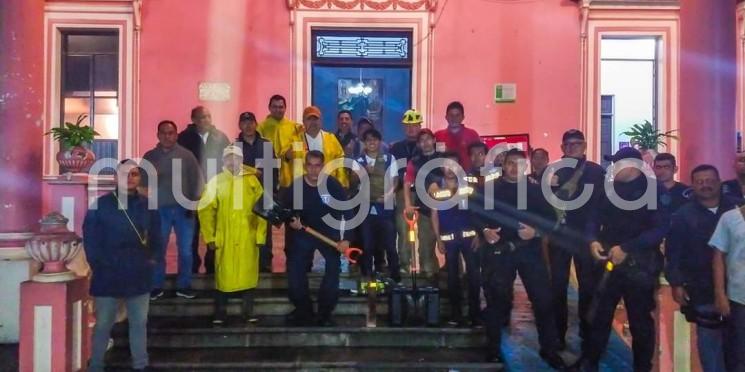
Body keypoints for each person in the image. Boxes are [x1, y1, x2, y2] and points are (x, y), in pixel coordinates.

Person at [577, 147, 671, 372]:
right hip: (609, 262)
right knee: (598, 315)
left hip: (640, 266)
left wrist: (627, 248)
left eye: (617, 164)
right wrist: (592, 241)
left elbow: (660, 228)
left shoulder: (653, 189)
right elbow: (592, 218)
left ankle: (642, 367)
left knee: (640, 323)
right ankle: (589, 363)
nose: (612, 168)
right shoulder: (606, 187)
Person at [471, 149, 567, 369]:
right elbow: (474, 214)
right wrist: (484, 230)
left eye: (520, 163)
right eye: (511, 163)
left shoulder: (535, 190)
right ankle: (493, 349)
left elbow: (551, 219)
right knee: (497, 302)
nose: (515, 167)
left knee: (543, 301)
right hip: (500, 252)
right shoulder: (489, 189)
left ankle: (549, 350)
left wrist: (536, 231)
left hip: (529, 251)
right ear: (503, 165)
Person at [83, 159, 162, 372]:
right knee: (103, 324)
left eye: (134, 174)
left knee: (139, 322)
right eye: (125, 173)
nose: (130, 178)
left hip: (138, 271)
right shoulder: (100, 205)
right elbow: (90, 240)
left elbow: (157, 236)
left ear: (139, 178)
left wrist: (151, 259)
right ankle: (96, 365)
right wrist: (98, 265)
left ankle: (140, 364)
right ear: (115, 177)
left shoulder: (148, 205)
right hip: (108, 273)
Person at [666, 164, 740, 372]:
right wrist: (676, 283)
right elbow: (674, 252)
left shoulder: (737, 210)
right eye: (699, 182)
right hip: (702, 288)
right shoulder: (682, 216)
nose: (705, 185)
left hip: (738, 289)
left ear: (718, 183)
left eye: (709, 181)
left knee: (739, 347)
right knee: (710, 348)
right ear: (693, 185)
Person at [548, 129, 606, 350]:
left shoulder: (595, 171)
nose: (572, 147)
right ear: (562, 147)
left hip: (586, 236)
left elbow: (603, 204)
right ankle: (558, 334)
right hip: (559, 235)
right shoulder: (551, 171)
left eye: (577, 144)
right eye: (568, 144)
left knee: (588, 286)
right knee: (558, 286)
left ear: (585, 146)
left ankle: (587, 330)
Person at [198, 144, 267, 325]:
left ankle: (248, 312)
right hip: (225, 237)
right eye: (228, 158)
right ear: (223, 160)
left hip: (248, 236)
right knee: (223, 277)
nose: (232, 162)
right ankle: (220, 313)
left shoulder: (252, 182)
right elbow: (205, 211)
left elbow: (263, 210)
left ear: (242, 160)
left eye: (236, 158)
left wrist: (260, 236)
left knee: (248, 276)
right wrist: (210, 237)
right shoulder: (216, 182)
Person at [282, 151, 352, 326]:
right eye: (310, 165)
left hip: (329, 234)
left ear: (323, 166)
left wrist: (347, 239)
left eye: (317, 165)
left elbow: (349, 213)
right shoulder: (296, 187)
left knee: (333, 269)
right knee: (295, 269)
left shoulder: (333, 186)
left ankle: (324, 313)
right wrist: (291, 221)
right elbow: (284, 211)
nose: (314, 170)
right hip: (303, 232)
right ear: (306, 166)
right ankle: (303, 310)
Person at [143, 120, 204, 300]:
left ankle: (184, 285)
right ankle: (156, 286)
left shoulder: (187, 156)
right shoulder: (150, 157)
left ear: (176, 135)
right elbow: (142, 185)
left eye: (170, 133)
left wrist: (192, 205)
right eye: (163, 133)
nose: (167, 136)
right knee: (158, 249)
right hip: (158, 210)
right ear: (157, 135)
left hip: (183, 209)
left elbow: (197, 183)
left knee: (185, 249)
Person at [430, 152, 481, 327]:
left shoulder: (469, 185)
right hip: (449, 240)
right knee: (452, 277)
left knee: (474, 276)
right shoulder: (437, 188)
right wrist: (438, 238)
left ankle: (475, 314)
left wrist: (479, 234)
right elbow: (434, 214)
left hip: (470, 238)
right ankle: (456, 314)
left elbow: (478, 212)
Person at [177, 106, 230, 274]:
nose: (205, 120)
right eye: (201, 117)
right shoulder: (183, 138)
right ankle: (192, 269)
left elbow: (228, 163)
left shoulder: (220, 137)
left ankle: (212, 267)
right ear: (193, 119)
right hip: (191, 194)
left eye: (208, 116)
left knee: (214, 231)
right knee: (191, 234)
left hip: (215, 192)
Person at [351, 128, 400, 281]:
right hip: (365, 207)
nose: (371, 142)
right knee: (367, 244)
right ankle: (366, 276)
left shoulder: (389, 158)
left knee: (390, 245)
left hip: (385, 206)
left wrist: (389, 195)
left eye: (374, 139)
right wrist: (363, 171)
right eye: (368, 140)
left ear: (379, 142)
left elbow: (395, 180)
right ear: (364, 143)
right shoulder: (358, 161)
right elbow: (352, 181)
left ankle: (395, 277)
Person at [236, 111, 277, 273]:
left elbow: (273, 170)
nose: (248, 125)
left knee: (265, 232)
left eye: (251, 122)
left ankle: (265, 264)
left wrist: (273, 191)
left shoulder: (266, 144)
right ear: (240, 125)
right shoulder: (234, 146)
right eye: (244, 122)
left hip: (264, 194)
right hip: (243, 196)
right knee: (245, 230)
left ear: (255, 124)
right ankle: (246, 263)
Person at [710, 191, 745, 372]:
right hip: (739, 298)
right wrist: (720, 293)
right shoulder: (730, 218)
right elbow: (718, 258)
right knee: (738, 355)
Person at [402, 128, 442, 278]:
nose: (425, 143)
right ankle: (429, 276)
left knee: (451, 248)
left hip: (446, 210)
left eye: (428, 139)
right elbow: (407, 184)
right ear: (418, 144)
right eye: (422, 140)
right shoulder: (415, 162)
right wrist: (407, 204)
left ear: (434, 140)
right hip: (424, 210)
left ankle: (451, 278)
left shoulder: (445, 158)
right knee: (426, 247)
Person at [390, 109, 423, 275]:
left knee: (426, 231)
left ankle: (426, 265)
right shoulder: (396, 148)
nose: (411, 129)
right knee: (403, 229)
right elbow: (392, 171)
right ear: (404, 127)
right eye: (408, 126)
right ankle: (404, 264)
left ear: (420, 126)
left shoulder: (426, 145)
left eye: (415, 125)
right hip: (403, 192)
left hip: (424, 193)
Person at [284, 106, 349, 189]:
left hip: (328, 186)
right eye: (309, 119)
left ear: (321, 121)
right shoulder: (294, 140)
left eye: (315, 119)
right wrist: (286, 156)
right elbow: (283, 158)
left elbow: (340, 162)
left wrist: (341, 185)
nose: (313, 122)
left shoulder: (331, 138)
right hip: (302, 187)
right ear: (303, 121)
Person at [258, 94, 302, 190]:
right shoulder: (261, 127)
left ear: (285, 108)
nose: (278, 110)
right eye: (274, 107)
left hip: (290, 175)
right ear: (269, 108)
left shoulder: (295, 127)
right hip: (268, 175)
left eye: (281, 107)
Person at [434, 101, 480, 171]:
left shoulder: (472, 135)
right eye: (451, 115)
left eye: (457, 115)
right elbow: (435, 157)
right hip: (444, 176)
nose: (454, 118)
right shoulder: (438, 136)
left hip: (468, 175)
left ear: (463, 117)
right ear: (446, 117)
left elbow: (479, 157)